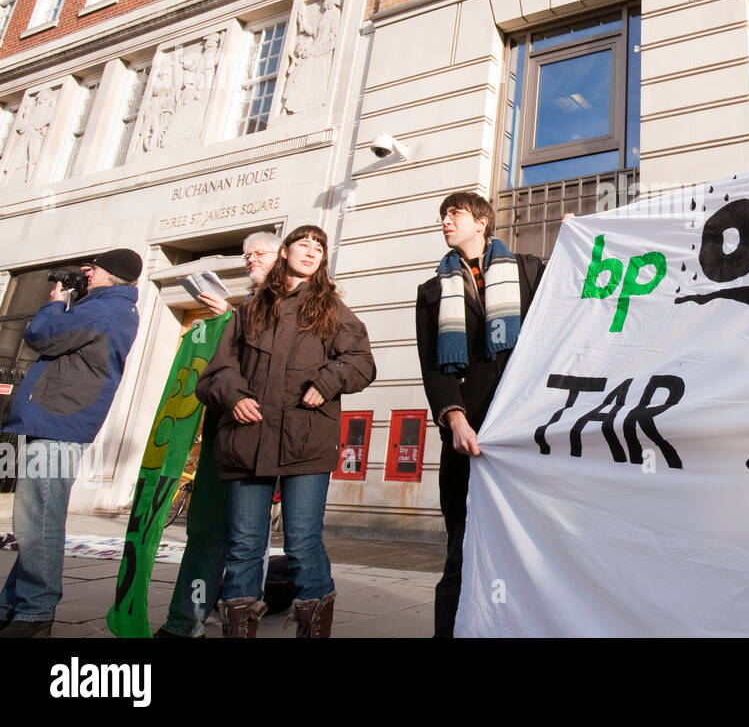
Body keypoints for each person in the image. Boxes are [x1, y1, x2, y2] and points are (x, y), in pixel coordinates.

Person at [196, 225, 374, 638]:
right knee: (243, 547)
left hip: (305, 443)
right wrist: (234, 396)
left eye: (319, 248)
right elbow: (216, 373)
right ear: (285, 251)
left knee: (302, 544)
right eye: (303, 244)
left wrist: (327, 383)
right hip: (248, 441)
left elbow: (362, 363)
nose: (311, 251)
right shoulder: (251, 309)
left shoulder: (331, 309)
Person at [415, 192, 545, 637]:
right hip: (465, 433)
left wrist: (577, 234)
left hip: (519, 429)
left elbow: (581, 283)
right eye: (443, 216)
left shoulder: (528, 270)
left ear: (482, 222)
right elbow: (433, 365)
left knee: (528, 545)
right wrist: (454, 419)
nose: (446, 222)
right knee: (461, 548)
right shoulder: (433, 290)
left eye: (455, 214)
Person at [0, 249, 142, 638]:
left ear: (112, 275)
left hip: (59, 423)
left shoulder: (104, 309)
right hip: (57, 421)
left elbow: (41, 336)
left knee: (39, 522)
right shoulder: (105, 307)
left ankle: (35, 613)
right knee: (35, 522)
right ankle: (13, 606)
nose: (86, 273)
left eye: (93, 269)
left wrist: (55, 305)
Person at [154, 231, 280, 639]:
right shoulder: (240, 308)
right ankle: (184, 620)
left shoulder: (290, 306)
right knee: (205, 531)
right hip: (221, 432)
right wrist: (226, 318)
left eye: (259, 253)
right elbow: (217, 374)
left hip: (257, 440)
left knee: (247, 540)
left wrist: (229, 318)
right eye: (246, 254)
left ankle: (238, 621)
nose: (250, 260)